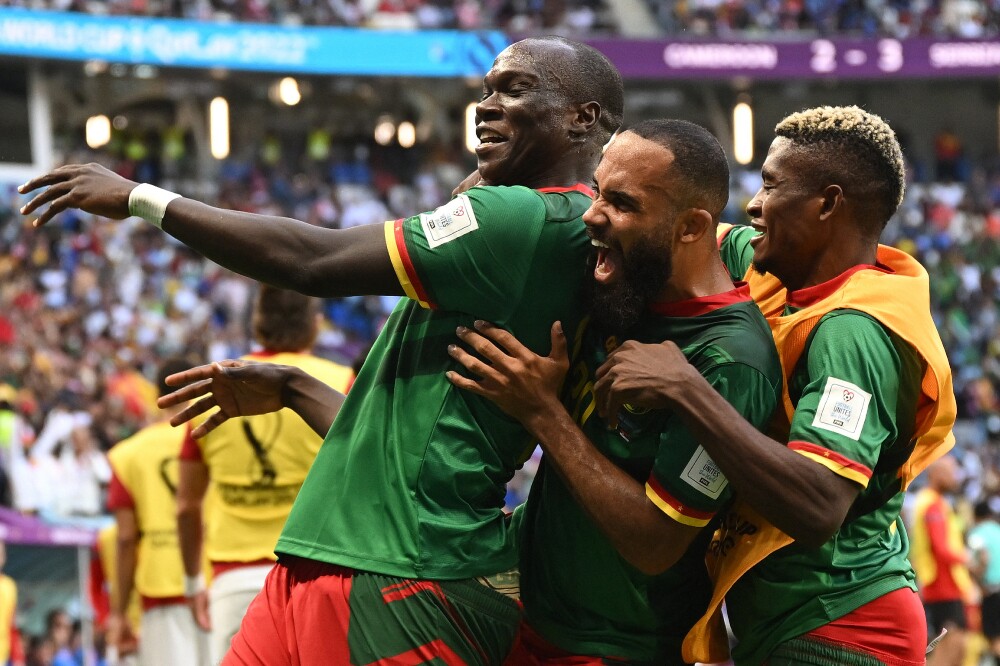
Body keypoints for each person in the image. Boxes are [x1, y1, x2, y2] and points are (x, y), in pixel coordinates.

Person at [22, 36, 624, 664]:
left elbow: (312, 260)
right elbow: (408, 446)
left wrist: (141, 198)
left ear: (583, 116)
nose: (486, 106)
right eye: (486, 90)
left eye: (515, 89)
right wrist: (293, 388)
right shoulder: (546, 228)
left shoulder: (521, 220)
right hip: (334, 552)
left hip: (409, 569)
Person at [586, 106, 956, 664]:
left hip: (841, 628)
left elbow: (819, 504)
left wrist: (688, 390)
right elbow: (681, 230)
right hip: (791, 623)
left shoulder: (853, 333)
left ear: (828, 203)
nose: (753, 205)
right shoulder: (778, 272)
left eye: (771, 185)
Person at [443, 119, 783, 664]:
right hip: (530, 617)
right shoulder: (630, 283)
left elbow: (655, 543)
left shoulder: (730, 361)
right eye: (598, 190)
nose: (592, 215)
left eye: (621, 203)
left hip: (612, 647)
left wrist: (542, 412)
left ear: (692, 227)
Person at [175, 285, 353, 663]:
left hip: (232, 580)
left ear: (256, 324)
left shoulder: (215, 385)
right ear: (315, 326)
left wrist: (193, 584)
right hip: (318, 572)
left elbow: (186, 506)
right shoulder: (342, 384)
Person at [105, 358, 211, 666]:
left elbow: (125, 540)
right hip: (212, 577)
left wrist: (119, 613)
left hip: (161, 585)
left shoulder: (128, 454)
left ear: (158, 395)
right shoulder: (214, 439)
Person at [911, 455, 972, 666]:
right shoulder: (932, 504)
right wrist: (967, 557)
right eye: (952, 471)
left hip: (946, 583)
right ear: (937, 474)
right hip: (941, 583)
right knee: (950, 645)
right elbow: (941, 548)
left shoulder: (934, 501)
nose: (956, 477)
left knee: (957, 645)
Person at [968, 499, 1000, 665]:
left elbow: (984, 558)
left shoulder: (977, 533)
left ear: (976, 516)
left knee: (994, 637)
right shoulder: (998, 529)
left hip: (992, 591)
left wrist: (977, 580)